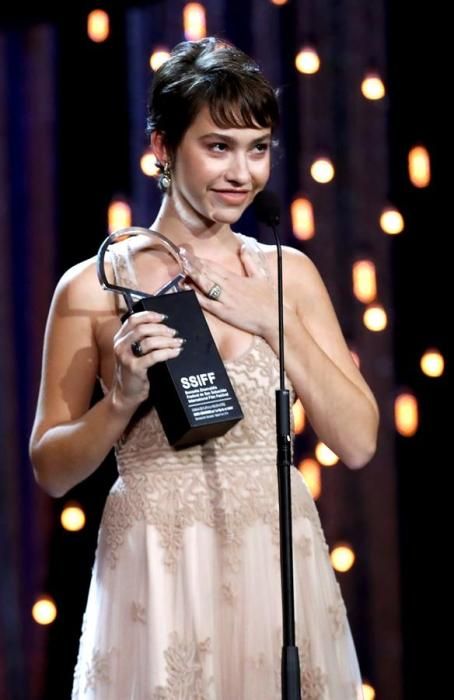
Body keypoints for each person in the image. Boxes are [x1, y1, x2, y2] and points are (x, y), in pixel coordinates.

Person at [30, 37, 379, 699]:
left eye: (258, 149)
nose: (242, 173)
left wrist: (273, 322)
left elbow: (358, 442)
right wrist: (120, 401)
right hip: (156, 577)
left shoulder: (287, 275)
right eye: (217, 146)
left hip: (275, 566)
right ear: (162, 147)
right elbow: (50, 468)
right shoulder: (94, 286)